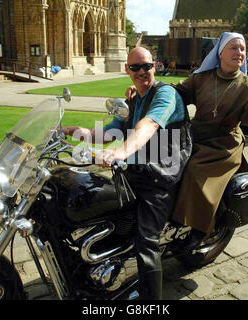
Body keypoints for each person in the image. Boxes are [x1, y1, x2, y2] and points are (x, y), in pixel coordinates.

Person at [62, 47, 191, 300]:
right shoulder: (132, 101)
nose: (142, 72)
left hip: (160, 176)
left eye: (147, 66)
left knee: (146, 242)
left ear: (156, 66)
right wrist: (69, 131)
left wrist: (120, 152)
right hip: (134, 173)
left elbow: (149, 125)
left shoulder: (166, 94)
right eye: (136, 67)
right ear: (127, 70)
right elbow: (107, 132)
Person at [169, 32, 248, 248]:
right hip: (195, 135)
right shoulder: (202, 77)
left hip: (224, 144)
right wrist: (151, 89)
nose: (239, 53)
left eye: (242, 49)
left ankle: (201, 229)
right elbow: (178, 93)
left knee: (195, 169)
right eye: (234, 48)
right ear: (220, 52)